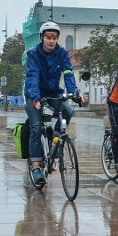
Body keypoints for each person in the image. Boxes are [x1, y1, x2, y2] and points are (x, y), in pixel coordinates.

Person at [24, 21, 81, 186]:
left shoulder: (62, 52)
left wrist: (74, 93)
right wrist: (35, 99)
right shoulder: (34, 53)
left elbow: (68, 72)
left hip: (53, 91)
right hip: (34, 93)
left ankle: (55, 141)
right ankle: (36, 167)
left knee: (68, 111)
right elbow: (32, 76)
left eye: (55, 37)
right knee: (35, 127)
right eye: (48, 37)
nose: (51, 40)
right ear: (42, 37)